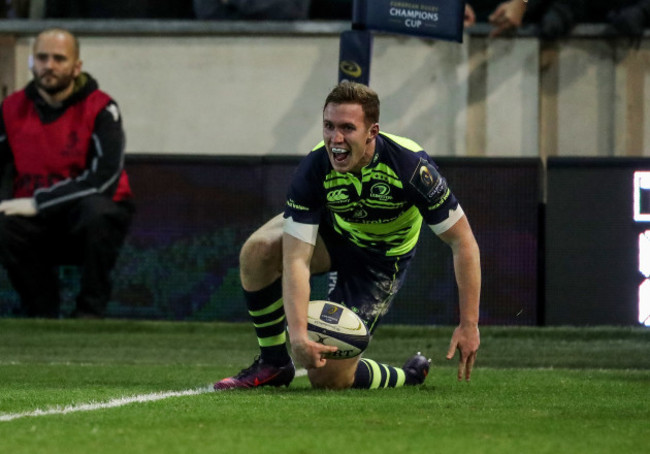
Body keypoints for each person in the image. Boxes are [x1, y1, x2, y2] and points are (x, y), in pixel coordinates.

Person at [215, 82, 481, 390]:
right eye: (328, 126)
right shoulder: (314, 166)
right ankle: (274, 363)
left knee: (329, 379)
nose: (335, 139)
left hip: (381, 261)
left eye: (347, 128)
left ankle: (407, 376)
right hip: (334, 236)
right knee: (259, 249)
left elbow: (463, 241)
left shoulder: (410, 166)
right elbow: (296, 258)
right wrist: (299, 336)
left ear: (372, 132)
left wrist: (469, 324)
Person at [0, 28, 134, 318]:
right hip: (33, 221)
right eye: (42, 57)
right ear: (32, 63)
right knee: (3, 224)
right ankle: (40, 314)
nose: (49, 65)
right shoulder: (10, 109)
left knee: (98, 211)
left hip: (84, 216)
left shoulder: (101, 108)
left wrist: (39, 202)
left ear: (76, 67)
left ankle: (89, 313)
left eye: (59, 59)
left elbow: (104, 179)